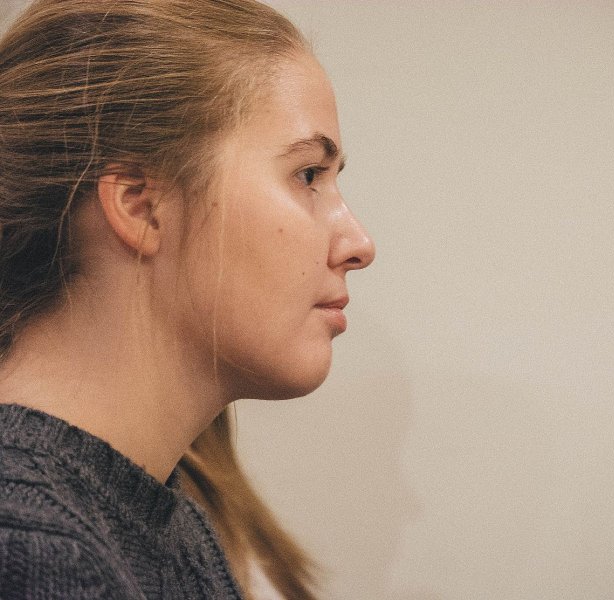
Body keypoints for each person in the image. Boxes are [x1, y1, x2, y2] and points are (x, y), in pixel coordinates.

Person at [0, 0, 375, 598]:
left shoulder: (156, 523)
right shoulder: (35, 553)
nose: (359, 245)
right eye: (308, 175)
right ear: (140, 205)